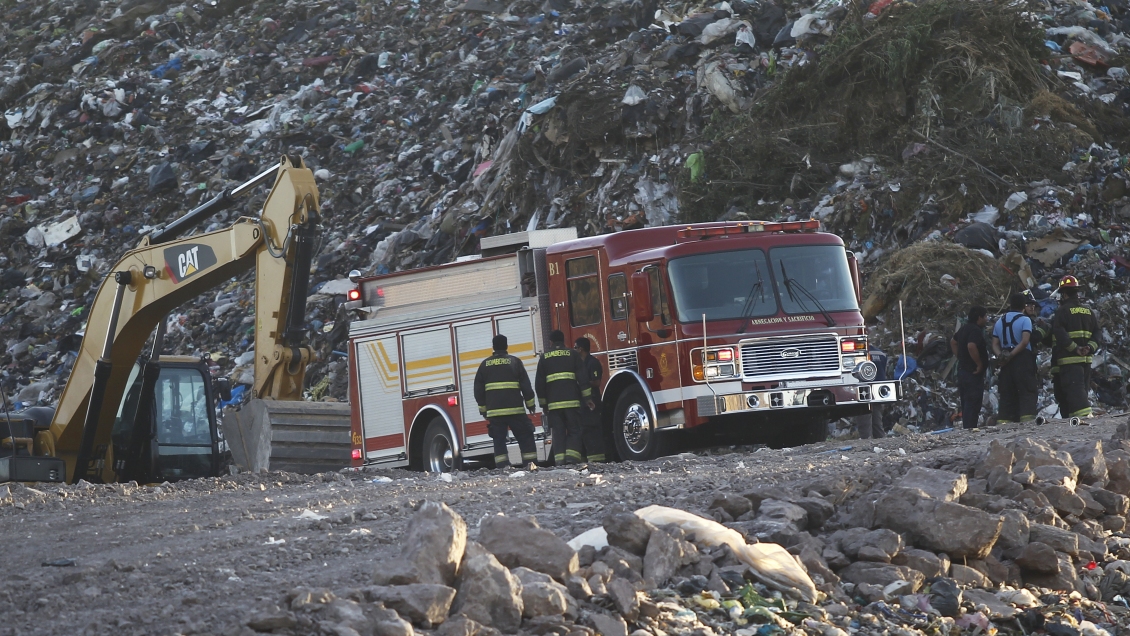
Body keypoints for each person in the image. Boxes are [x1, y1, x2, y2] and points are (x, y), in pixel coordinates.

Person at [472, 334, 538, 469]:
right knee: (525, 436)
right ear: (506, 346)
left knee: (499, 440)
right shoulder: (515, 362)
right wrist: (530, 405)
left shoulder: (484, 365)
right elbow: (526, 385)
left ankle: (502, 466)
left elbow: (478, 390)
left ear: (493, 347)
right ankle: (530, 464)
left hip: (495, 412)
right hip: (515, 410)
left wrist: (483, 410)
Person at [535, 330, 594, 465]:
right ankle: (572, 460)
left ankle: (560, 462)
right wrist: (588, 399)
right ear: (563, 341)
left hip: (554, 406)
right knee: (574, 431)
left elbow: (539, 384)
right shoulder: (573, 354)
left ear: (550, 342)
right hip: (572, 403)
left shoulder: (544, 358)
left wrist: (544, 405)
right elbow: (583, 378)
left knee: (558, 432)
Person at [1051, 275, 1100, 419]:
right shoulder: (1088, 311)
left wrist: (1074, 348)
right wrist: (1089, 348)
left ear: (1065, 294)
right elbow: (1098, 333)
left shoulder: (1062, 311)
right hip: (1086, 360)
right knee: (1081, 389)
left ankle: (1084, 421)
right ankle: (1073, 423)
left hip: (1069, 360)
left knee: (1075, 391)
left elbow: (1059, 332)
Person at [991, 293, 1038, 424]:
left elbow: (994, 344)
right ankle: (1027, 422)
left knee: (1007, 394)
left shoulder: (1000, 321)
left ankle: (1005, 423)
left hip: (1005, 362)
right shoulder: (1025, 320)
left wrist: (1002, 356)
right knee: (1027, 391)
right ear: (1024, 306)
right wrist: (1012, 355)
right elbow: (1024, 341)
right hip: (1022, 359)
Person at [950, 306, 988, 428]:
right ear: (979, 318)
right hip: (972, 373)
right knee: (973, 402)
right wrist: (979, 364)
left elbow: (953, 342)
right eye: (985, 316)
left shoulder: (964, 329)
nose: (987, 319)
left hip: (962, 371)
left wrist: (961, 357)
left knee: (966, 402)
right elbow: (971, 346)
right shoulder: (975, 331)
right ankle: (970, 429)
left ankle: (968, 427)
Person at [574, 337, 607, 462]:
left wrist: (582, 383)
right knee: (582, 431)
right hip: (583, 403)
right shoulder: (579, 363)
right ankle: (583, 460)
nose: (574, 349)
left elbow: (596, 382)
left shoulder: (593, 363)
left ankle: (598, 461)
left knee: (592, 431)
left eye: (575, 347)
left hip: (592, 403)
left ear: (581, 349)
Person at [853, 344, 888, 438]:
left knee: (864, 423)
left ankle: (867, 444)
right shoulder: (881, 354)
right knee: (877, 423)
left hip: (865, 392)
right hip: (879, 392)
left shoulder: (859, 354)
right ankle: (881, 443)